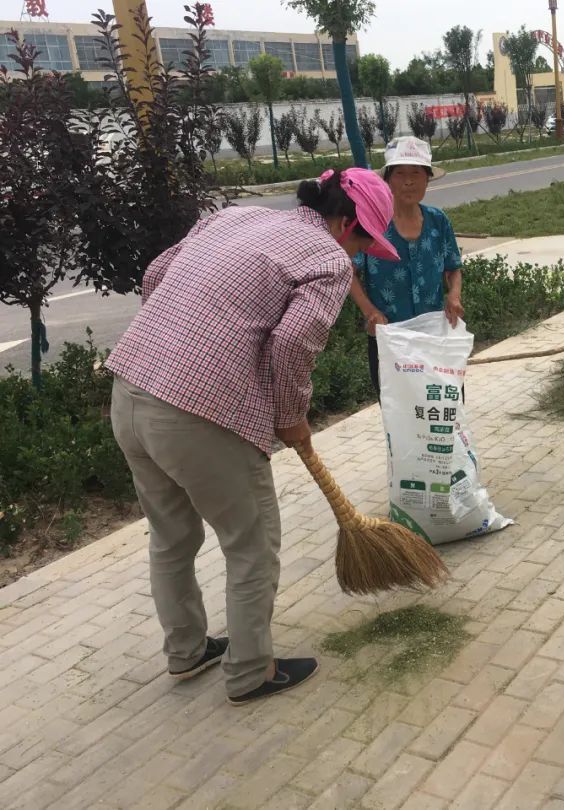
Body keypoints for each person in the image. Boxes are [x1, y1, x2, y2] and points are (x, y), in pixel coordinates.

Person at [107, 169, 398, 706]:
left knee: (171, 539)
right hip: (199, 414)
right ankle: (249, 672)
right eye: (362, 241)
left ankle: (187, 652)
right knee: (253, 546)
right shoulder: (327, 259)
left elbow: (156, 274)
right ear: (346, 222)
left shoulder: (237, 217)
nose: (358, 255)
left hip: (129, 391)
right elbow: (291, 344)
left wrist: (179, 337)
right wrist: (291, 415)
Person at [349, 136, 464, 396]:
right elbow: (349, 273)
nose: (408, 181)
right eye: (400, 174)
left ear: (427, 179)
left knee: (443, 412)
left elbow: (453, 266)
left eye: (416, 173)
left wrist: (454, 294)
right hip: (389, 338)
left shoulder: (438, 221)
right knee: (400, 417)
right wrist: (370, 312)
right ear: (388, 180)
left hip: (434, 335)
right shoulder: (373, 224)